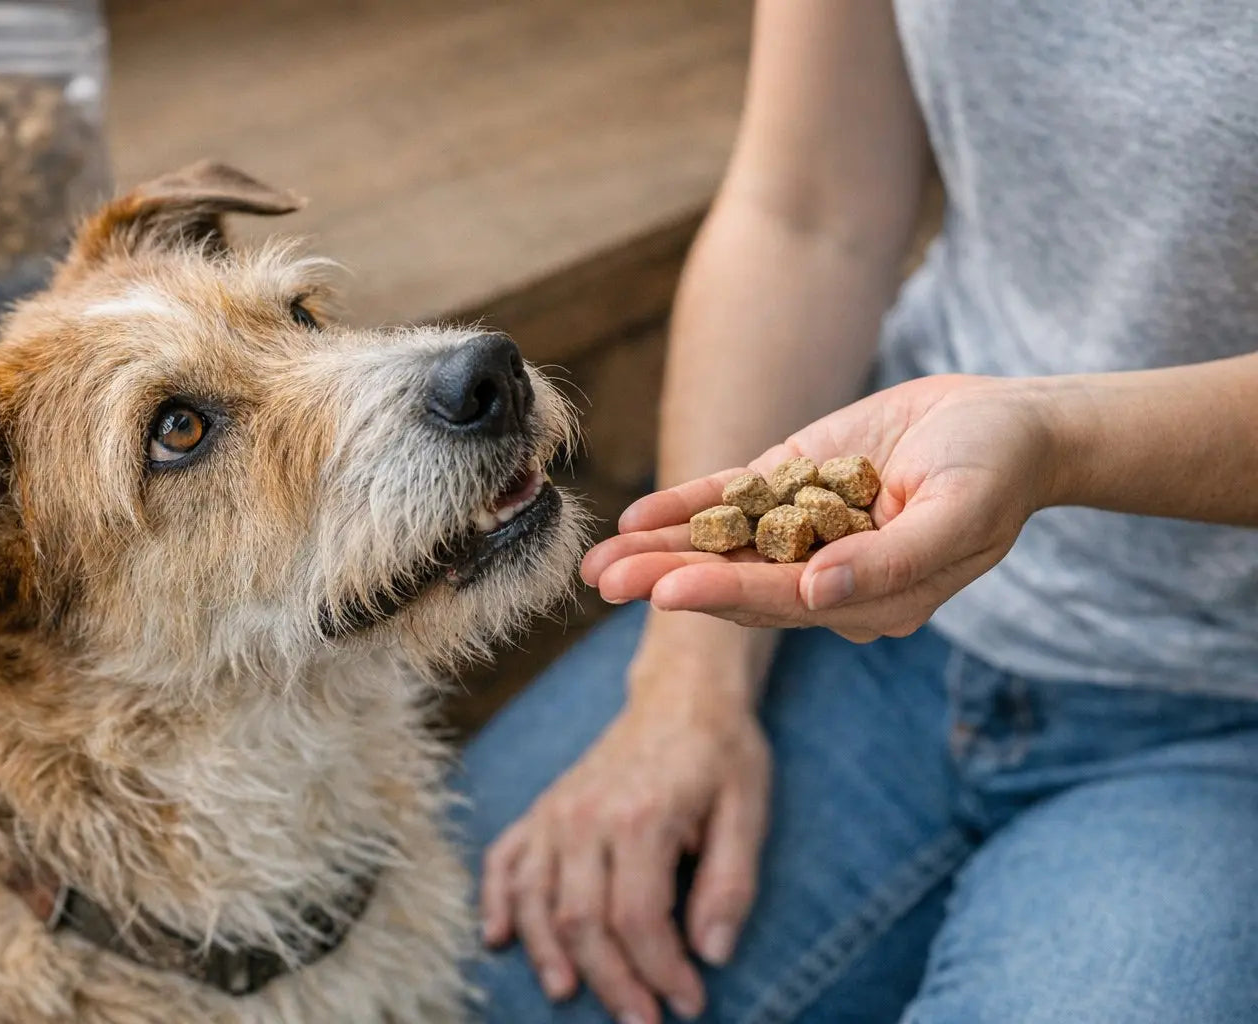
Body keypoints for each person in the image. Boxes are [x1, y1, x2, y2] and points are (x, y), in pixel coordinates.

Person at [457, 2, 1258, 1022]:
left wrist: (1056, 438)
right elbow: (807, 213)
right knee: (461, 976)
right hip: (860, 621)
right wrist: (687, 684)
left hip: (1223, 707)